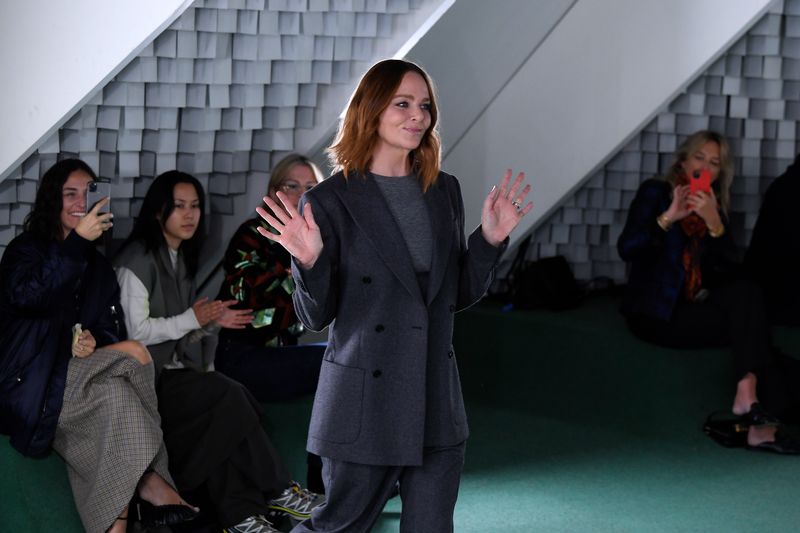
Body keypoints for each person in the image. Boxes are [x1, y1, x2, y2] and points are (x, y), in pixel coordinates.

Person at [256, 58, 532, 532]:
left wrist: (488, 241)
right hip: (365, 399)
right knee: (336, 526)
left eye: (424, 106)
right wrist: (309, 261)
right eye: (402, 104)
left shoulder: (445, 191)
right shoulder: (328, 201)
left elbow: (453, 295)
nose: (418, 116)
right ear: (371, 111)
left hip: (435, 400)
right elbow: (315, 317)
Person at [114, 171, 323, 533]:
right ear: (158, 211)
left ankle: (242, 518)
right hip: (145, 382)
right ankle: (279, 491)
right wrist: (191, 318)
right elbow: (137, 336)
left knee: (227, 408)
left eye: (195, 206)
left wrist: (209, 322)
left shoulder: (176, 256)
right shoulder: (137, 259)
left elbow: (175, 334)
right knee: (228, 393)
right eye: (179, 206)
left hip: (171, 373)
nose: (189, 214)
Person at [0, 159, 198, 533]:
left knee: (119, 390)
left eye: (87, 192)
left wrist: (94, 341)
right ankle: (153, 482)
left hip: (80, 377)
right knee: (133, 363)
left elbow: (111, 329)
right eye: (69, 194)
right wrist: (76, 244)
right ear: (51, 201)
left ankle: (122, 520)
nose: (79, 202)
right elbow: (27, 296)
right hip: (31, 383)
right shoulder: (25, 250)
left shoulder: (98, 266)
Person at [617, 130, 799, 453]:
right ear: (684, 161)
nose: (705, 166)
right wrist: (668, 218)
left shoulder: (713, 206)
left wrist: (715, 224)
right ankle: (759, 416)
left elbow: (731, 274)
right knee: (758, 339)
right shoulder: (656, 192)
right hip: (656, 313)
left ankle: (748, 393)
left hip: (693, 307)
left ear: (718, 173)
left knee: (748, 298)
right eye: (699, 157)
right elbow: (628, 248)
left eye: (714, 163)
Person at [215, 153, 326, 402]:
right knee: (331, 359)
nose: (301, 194)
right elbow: (244, 297)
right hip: (244, 356)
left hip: (285, 353)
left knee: (348, 356)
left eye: (310, 187)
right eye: (292, 186)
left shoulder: (319, 242)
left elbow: (316, 310)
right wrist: (295, 266)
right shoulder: (254, 233)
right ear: (275, 190)